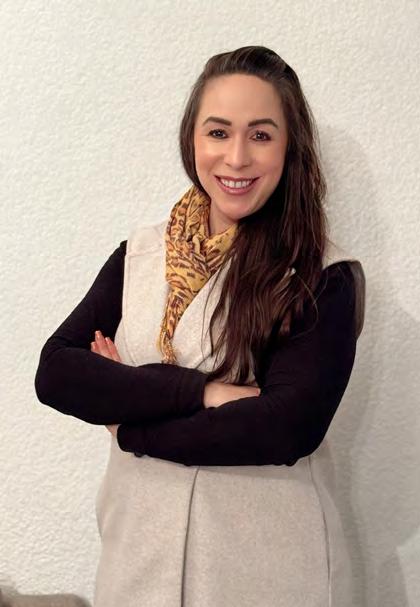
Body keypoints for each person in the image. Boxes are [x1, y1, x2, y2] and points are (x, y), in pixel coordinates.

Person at [34, 46, 366, 607]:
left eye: (260, 135)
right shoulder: (139, 255)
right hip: (137, 561)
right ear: (192, 139)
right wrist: (205, 392)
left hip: (262, 571)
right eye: (218, 132)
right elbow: (58, 373)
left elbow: (285, 427)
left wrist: (128, 422)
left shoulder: (320, 275)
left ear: (290, 147)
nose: (236, 157)